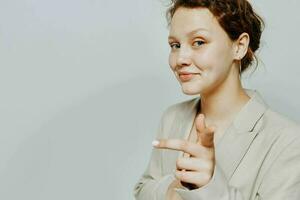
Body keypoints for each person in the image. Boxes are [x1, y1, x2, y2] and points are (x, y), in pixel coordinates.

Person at [133, 0, 300, 199]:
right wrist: (174, 189)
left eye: (199, 42)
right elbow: (144, 188)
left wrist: (210, 189)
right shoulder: (173, 117)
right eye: (175, 45)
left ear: (239, 46)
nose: (180, 59)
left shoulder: (288, 141)